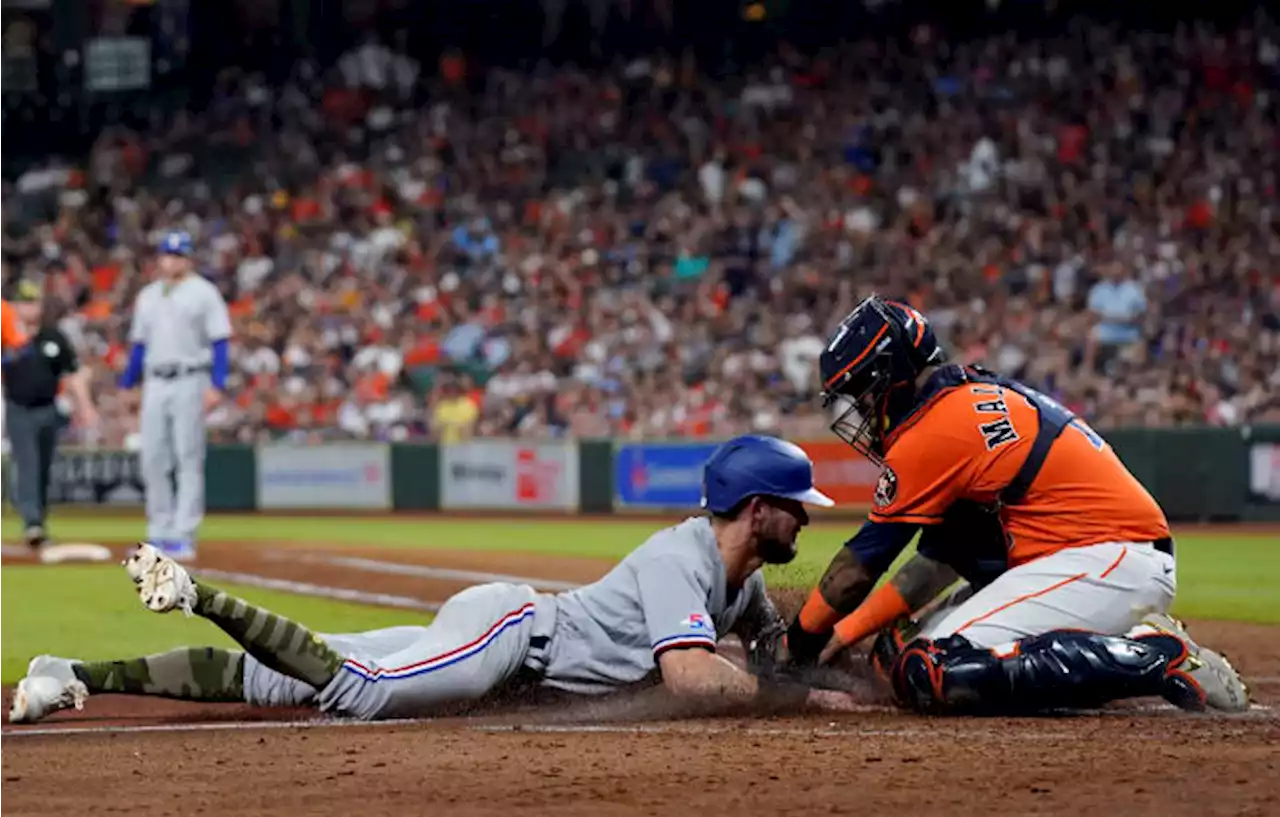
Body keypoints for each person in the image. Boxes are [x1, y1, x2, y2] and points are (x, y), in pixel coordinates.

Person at [10, 434, 860, 724]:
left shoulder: (738, 582)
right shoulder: (683, 557)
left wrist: (833, 665)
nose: (808, 517)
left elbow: (779, 653)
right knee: (362, 691)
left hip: (507, 643)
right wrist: (795, 701)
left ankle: (68, 675)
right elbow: (690, 673)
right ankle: (199, 593)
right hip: (508, 637)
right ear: (757, 508)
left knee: (277, 684)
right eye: (796, 505)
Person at [779, 295, 1250, 715]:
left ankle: (1152, 655)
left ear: (890, 378)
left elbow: (859, 566)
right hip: (1090, 558)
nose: (860, 416)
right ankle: (1124, 643)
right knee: (895, 654)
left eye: (861, 398)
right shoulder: (964, 399)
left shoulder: (929, 434)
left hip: (1107, 559)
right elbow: (937, 563)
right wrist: (843, 636)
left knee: (931, 669)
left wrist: (797, 645)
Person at [118, 231, 232, 560]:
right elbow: (139, 345)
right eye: (168, 254)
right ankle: (159, 531)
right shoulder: (148, 295)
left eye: (179, 255)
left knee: (188, 457)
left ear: (189, 258)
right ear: (160, 258)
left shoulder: (204, 293)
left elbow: (220, 341)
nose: (173, 260)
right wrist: (128, 384)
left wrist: (217, 384)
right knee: (153, 457)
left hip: (190, 378)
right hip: (155, 380)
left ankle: (183, 534)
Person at [1, 280, 99, 548]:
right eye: (23, 302)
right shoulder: (7, 336)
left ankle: (38, 519)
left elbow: (73, 373)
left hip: (48, 408)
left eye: (33, 302)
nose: (29, 308)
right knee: (27, 463)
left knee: (44, 466)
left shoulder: (53, 336)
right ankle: (32, 521)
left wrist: (85, 406)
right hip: (18, 408)